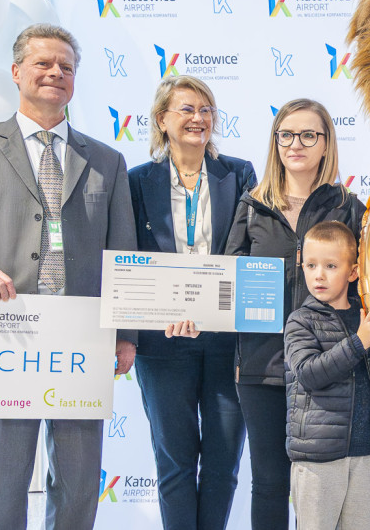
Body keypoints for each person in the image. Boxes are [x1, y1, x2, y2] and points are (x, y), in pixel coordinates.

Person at [0, 23, 137, 530]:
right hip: (2, 340)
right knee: (2, 485)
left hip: (81, 344)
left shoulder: (107, 160)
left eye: (67, 67)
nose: (56, 73)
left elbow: (122, 254)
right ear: (16, 72)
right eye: (43, 63)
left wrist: (125, 334)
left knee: (79, 490)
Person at [224, 98, 365, 528]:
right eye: (286, 134)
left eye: (308, 135)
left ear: (326, 144)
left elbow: (364, 287)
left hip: (328, 369)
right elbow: (226, 282)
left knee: (322, 486)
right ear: (275, 142)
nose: (296, 144)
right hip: (262, 367)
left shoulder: (348, 207)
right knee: (268, 482)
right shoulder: (252, 205)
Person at [127, 75, 256, 530]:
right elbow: (133, 260)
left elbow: (246, 249)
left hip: (227, 341)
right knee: (175, 460)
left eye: (205, 110)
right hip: (162, 344)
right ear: (162, 120)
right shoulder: (137, 182)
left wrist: (208, 311)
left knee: (224, 461)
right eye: (186, 109)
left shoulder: (239, 174)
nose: (198, 118)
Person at [284, 221, 370, 529]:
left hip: (365, 454)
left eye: (330, 265)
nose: (318, 274)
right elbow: (310, 374)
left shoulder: (366, 317)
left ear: (353, 272)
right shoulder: (300, 321)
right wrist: (360, 341)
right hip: (319, 458)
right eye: (311, 265)